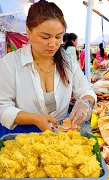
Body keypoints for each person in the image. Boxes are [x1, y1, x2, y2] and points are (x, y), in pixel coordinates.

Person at [0, 1, 96, 136]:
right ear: (28, 31)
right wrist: (35, 118)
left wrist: (85, 103)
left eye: (58, 37)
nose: (53, 44)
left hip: (60, 134)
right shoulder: (9, 64)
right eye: (45, 37)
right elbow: (2, 107)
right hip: (20, 136)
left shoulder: (68, 61)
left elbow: (86, 89)